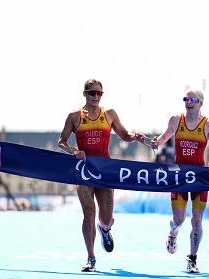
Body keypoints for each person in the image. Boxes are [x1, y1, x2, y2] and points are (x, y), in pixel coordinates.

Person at [58, 78, 146, 272]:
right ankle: (91, 258)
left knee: (105, 218)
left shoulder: (110, 114)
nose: (96, 96)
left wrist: (136, 137)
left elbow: (124, 135)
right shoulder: (74, 116)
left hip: (105, 172)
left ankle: (105, 229)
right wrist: (74, 151)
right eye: (92, 93)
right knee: (89, 212)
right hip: (84, 172)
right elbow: (61, 142)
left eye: (99, 93)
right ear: (85, 94)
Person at [150, 89, 209, 273]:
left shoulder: (208, 124)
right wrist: (156, 143)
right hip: (179, 176)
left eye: (193, 99)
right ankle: (173, 232)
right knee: (179, 218)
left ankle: (192, 259)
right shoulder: (176, 120)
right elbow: (163, 138)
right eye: (186, 98)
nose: (189, 102)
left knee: (197, 220)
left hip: (200, 178)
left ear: (200, 103)